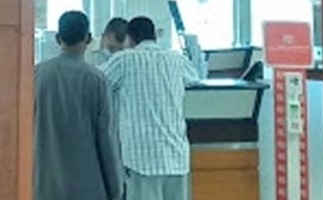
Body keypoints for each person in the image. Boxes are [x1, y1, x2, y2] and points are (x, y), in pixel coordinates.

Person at [100, 16, 202, 200]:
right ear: (154, 36)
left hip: (142, 159)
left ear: (129, 38)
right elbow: (196, 78)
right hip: (176, 157)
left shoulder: (124, 60)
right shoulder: (176, 59)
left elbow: (95, 81)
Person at [33, 10, 123, 200]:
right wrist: (115, 189)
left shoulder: (36, 75)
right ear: (88, 38)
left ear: (58, 38)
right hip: (88, 188)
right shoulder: (97, 80)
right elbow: (107, 139)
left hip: (44, 187)